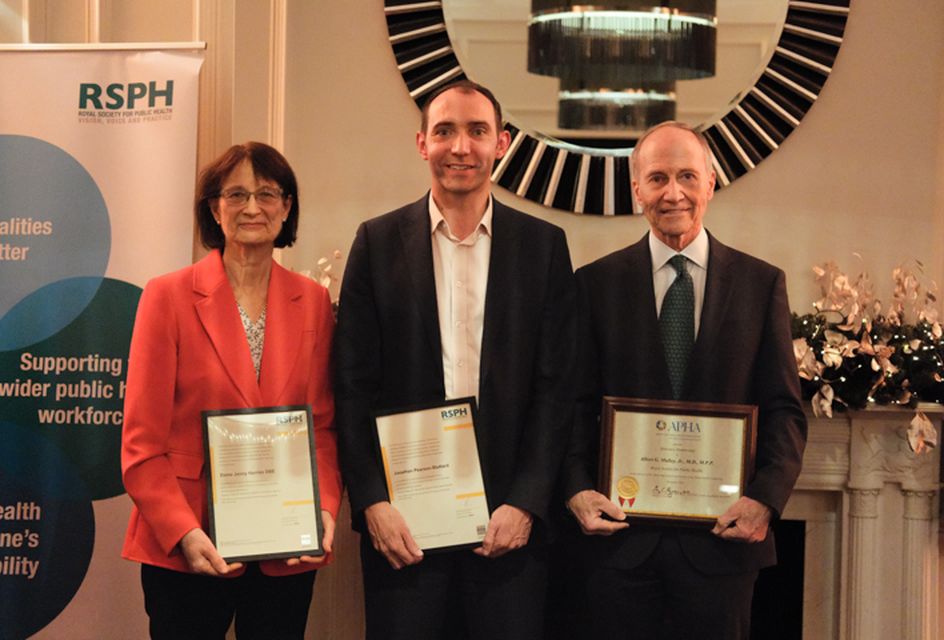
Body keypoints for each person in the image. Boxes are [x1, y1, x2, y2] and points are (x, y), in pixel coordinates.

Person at [334, 80, 575, 640]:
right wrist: (371, 501)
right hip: (405, 530)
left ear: (503, 144)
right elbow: (352, 386)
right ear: (422, 143)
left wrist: (527, 502)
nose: (460, 146)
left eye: (476, 131)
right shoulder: (376, 243)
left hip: (508, 526)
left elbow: (557, 389)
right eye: (444, 131)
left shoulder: (544, 247)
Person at [561, 121, 807, 639]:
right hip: (618, 543)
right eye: (657, 178)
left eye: (687, 176)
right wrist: (578, 490)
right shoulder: (594, 284)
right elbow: (574, 406)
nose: (673, 193)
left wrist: (765, 498)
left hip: (723, 544)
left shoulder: (762, 284)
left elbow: (784, 408)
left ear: (710, 183)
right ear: (637, 191)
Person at [121, 142, 342, 639]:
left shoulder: (312, 301)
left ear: (287, 209)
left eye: (267, 194)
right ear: (213, 208)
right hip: (189, 543)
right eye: (236, 193)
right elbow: (141, 444)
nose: (252, 207)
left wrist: (324, 507)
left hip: (287, 547)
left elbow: (323, 428)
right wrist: (183, 531)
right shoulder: (167, 296)